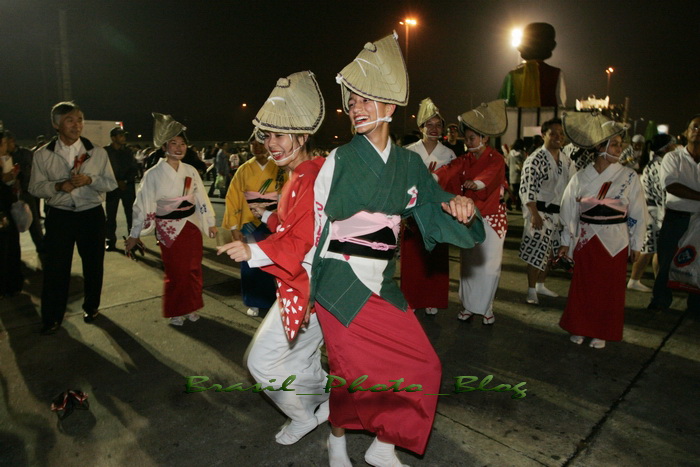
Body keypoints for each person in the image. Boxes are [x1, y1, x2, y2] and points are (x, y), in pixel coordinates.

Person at [311, 32, 484, 467]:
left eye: (366, 100)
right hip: (339, 278)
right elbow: (312, 227)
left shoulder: (408, 163)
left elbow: (433, 202)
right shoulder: (339, 160)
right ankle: (336, 441)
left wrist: (458, 204)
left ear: (389, 107)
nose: (356, 109)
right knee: (353, 374)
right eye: (352, 102)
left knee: (423, 366)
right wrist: (300, 288)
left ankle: (382, 445)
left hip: (383, 280)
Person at [218, 70, 329, 446]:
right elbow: (290, 223)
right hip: (307, 286)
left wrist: (253, 249)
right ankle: (327, 399)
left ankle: (302, 417)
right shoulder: (299, 175)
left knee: (260, 363)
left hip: (310, 288)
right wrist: (265, 214)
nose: (270, 144)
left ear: (302, 136)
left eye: (278, 135)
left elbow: (299, 241)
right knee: (302, 357)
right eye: (266, 136)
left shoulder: (310, 176)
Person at [558, 112, 647, 349]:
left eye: (620, 145)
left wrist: (637, 243)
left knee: (609, 288)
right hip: (587, 238)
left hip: (616, 240)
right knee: (584, 286)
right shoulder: (580, 177)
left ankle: (602, 331)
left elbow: (638, 212)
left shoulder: (629, 176)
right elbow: (569, 211)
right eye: (615, 145)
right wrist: (566, 240)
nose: (620, 149)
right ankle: (579, 327)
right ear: (600, 147)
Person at [29, 101, 118, 335]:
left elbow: (111, 183)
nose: (77, 125)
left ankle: (92, 307)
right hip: (60, 216)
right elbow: (35, 188)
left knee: (93, 264)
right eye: (70, 120)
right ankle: (52, 318)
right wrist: (58, 186)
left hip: (91, 215)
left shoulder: (97, 152)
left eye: (79, 119)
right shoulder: (43, 155)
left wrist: (90, 180)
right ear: (56, 124)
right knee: (56, 268)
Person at [125, 113, 217, 325]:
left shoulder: (191, 170)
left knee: (193, 269)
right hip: (168, 227)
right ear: (164, 147)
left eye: (182, 143)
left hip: (191, 224)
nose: (178, 147)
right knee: (176, 271)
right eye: (173, 143)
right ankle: (176, 309)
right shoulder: (153, 174)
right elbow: (142, 204)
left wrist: (210, 221)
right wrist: (134, 234)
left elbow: (201, 197)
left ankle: (191, 306)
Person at [435, 100, 508, 325]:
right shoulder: (465, 159)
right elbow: (450, 170)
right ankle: (468, 306)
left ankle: (486, 307)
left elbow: (491, 176)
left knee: (490, 266)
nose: (467, 143)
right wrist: (435, 177)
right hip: (470, 216)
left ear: (484, 138)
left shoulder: (496, 158)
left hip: (493, 216)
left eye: (471, 139)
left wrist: (476, 183)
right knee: (469, 264)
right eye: (467, 139)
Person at [401, 98, 456, 315]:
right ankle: (411, 299)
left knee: (435, 258)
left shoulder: (449, 154)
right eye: (429, 124)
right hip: (413, 211)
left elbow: (452, 184)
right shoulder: (408, 151)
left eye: (438, 125)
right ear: (421, 127)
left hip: (437, 211)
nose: (434, 129)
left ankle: (432, 299)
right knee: (413, 258)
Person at [221, 138, 286, 317]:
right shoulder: (244, 169)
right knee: (250, 263)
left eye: (260, 143)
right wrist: (234, 227)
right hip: (250, 220)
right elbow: (233, 197)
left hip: (274, 218)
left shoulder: (280, 167)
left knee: (275, 260)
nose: (257, 147)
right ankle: (254, 301)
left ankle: (277, 298)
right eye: (253, 144)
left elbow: (288, 191)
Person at [518, 118, 576, 304]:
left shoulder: (566, 161)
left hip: (558, 213)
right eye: (553, 133)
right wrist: (534, 214)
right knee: (536, 252)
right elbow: (527, 188)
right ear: (544, 135)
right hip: (539, 212)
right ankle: (531, 289)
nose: (558, 137)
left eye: (561, 133)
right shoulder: (535, 159)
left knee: (551, 253)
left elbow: (572, 186)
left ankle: (542, 284)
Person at [648, 115, 700, 314]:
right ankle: (660, 300)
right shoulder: (673, 157)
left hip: (698, 220)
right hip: (676, 218)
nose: (698, 131)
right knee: (667, 260)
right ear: (686, 132)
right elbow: (672, 186)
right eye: (694, 127)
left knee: (698, 262)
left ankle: (695, 305)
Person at [627, 134, 674, 292]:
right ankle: (635, 280)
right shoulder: (660, 166)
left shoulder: (653, 163)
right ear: (667, 148)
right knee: (648, 249)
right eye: (673, 145)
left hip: (650, 210)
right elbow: (662, 193)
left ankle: (658, 281)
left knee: (654, 249)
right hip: (654, 212)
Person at [5, 130, 44, 256]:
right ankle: (14, 255)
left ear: (12, 141)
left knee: (34, 224)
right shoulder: (4, 157)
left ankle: (42, 250)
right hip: (9, 197)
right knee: (11, 228)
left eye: (7, 142)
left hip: (26, 193)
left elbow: (35, 171)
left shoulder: (26, 153)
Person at [105, 126, 139, 252]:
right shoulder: (106, 152)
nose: (124, 138)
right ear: (113, 138)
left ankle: (133, 240)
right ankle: (110, 241)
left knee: (131, 215)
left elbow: (133, 168)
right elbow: (104, 169)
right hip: (112, 187)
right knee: (110, 215)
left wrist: (125, 181)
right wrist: (116, 181)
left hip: (127, 186)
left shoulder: (128, 152)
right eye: (120, 136)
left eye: (124, 135)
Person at [0, 131, 23, 297]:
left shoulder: (6, 159)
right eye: (4, 143)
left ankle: (12, 284)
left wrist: (12, 179)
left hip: (8, 208)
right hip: (2, 213)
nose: (6, 146)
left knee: (11, 248)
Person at [508, 138, 526, 210]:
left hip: (512, 174)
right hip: (519, 174)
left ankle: (511, 203)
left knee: (515, 191)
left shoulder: (511, 153)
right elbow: (524, 162)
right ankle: (511, 203)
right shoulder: (522, 153)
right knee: (518, 192)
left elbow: (508, 162)